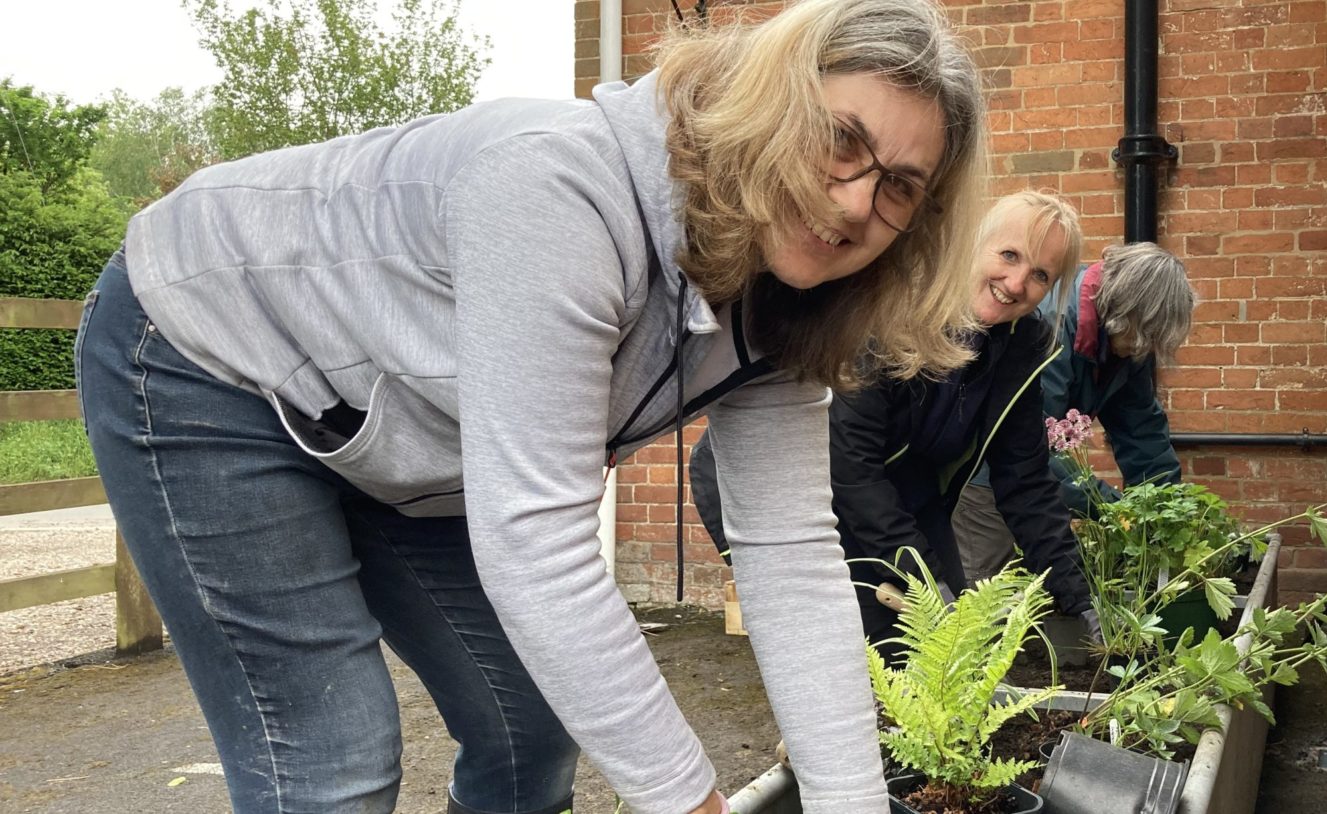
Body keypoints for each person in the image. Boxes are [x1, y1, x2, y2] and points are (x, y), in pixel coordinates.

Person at [73, 2, 987, 812]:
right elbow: (539, 545)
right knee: (333, 762)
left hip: (397, 427)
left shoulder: (791, 301)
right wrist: (689, 803)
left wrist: (850, 799)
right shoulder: (558, 190)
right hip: (211, 350)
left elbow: (789, 553)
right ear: (775, 104)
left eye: (901, 185)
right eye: (841, 140)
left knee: (528, 730)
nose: (857, 199)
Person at [691, 191, 1101, 656]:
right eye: (1009, 255)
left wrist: (1081, 599)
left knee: (950, 649)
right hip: (782, 484)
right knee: (858, 651)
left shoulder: (1019, 347)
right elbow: (848, 462)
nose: (1016, 281)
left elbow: (1024, 481)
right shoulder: (898, 307)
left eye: (1040, 275)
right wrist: (925, 581)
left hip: (901, 492)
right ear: (975, 243)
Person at [953, 242, 1197, 584]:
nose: (1144, 347)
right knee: (982, 591)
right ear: (1122, 309)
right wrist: (1114, 509)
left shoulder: (1125, 343)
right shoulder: (1053, 327)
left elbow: (1143, 433)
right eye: (1144, 335)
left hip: (1028, 478)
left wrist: (1165, 512)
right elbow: (1033, 446)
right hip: (982, 474)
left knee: (1029, 591)